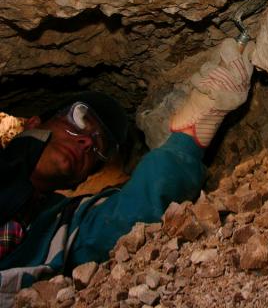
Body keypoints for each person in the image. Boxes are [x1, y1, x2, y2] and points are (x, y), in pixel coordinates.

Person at [0, 39, 254, 306]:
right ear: (33, 122)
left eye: (98, 149)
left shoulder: (61, 226)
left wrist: (194, 127)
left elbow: (129, 213)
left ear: (83, 179)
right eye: (79, 119)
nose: (87, 142)